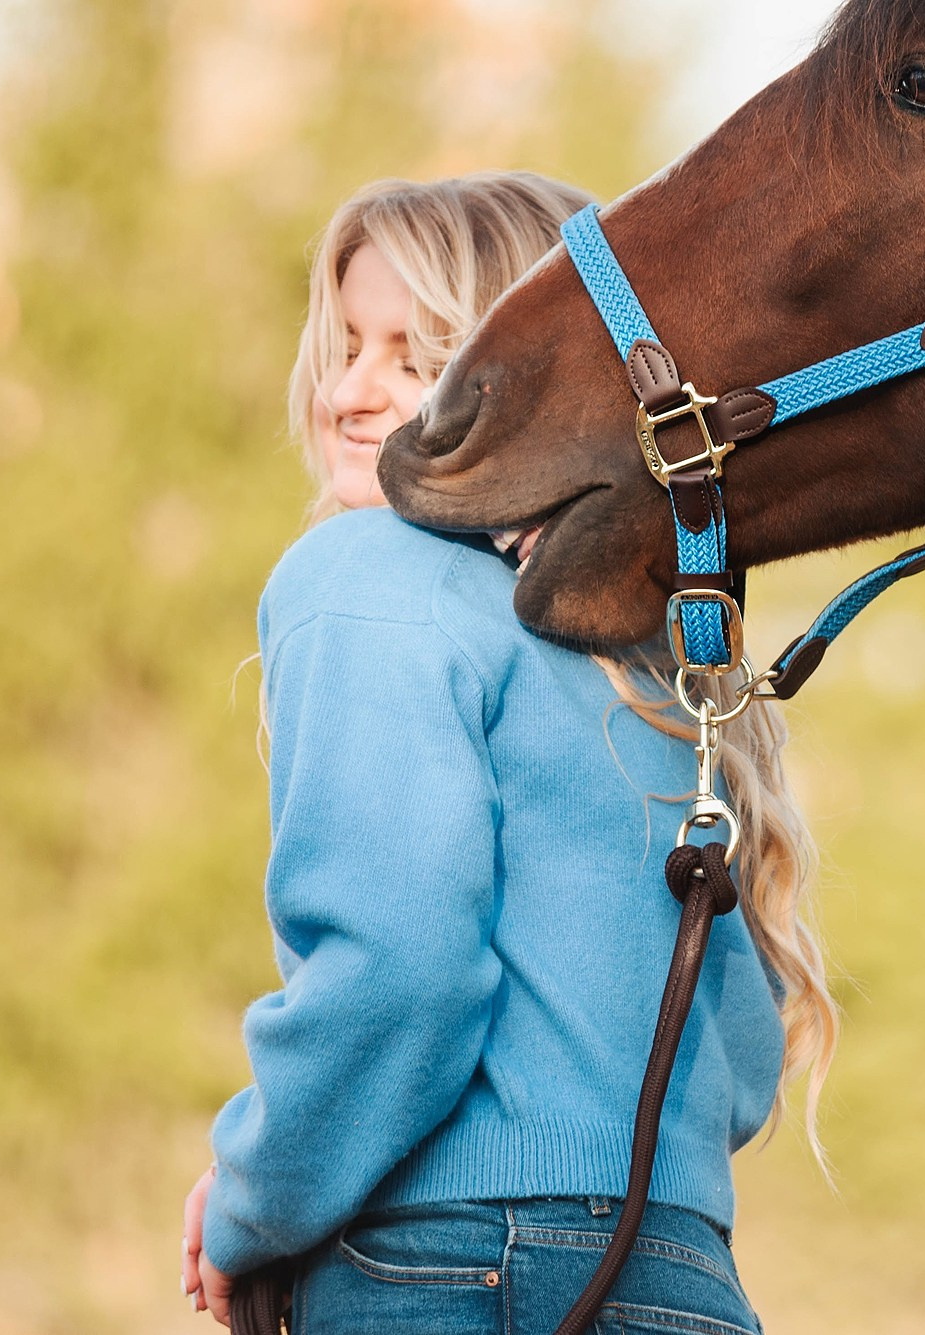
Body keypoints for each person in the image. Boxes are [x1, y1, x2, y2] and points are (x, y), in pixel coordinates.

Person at [178, 172, 839, 1333]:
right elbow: (734, 1056)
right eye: (346, 345)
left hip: (439, 1264)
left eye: (413, 358)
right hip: (680, 1274)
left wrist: (254, 1193)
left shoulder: (366, 573)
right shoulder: (650, 656)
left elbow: (396, 970)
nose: (347, 391)